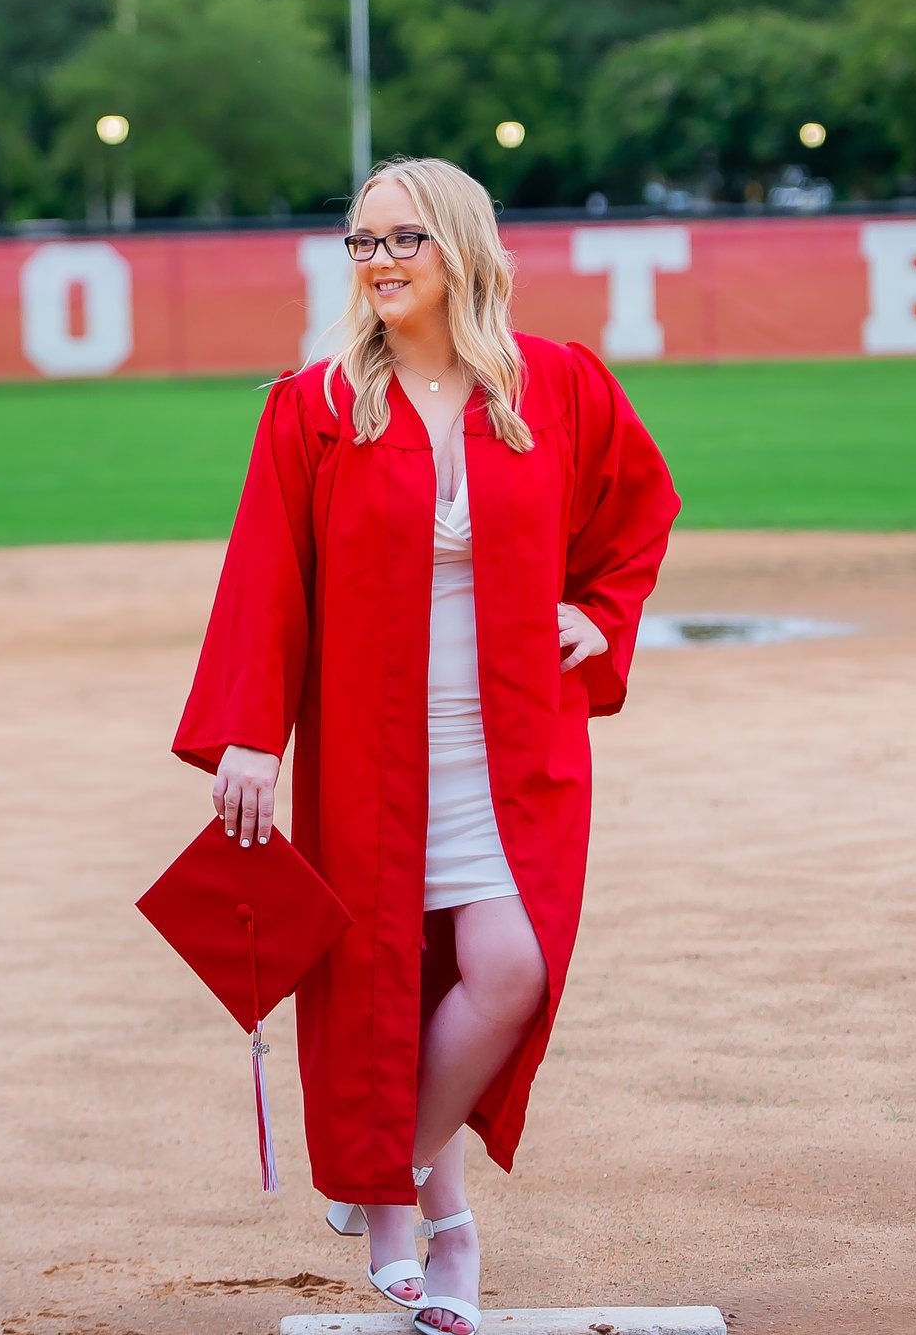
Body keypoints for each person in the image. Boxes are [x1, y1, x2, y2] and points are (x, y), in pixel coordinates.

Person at [172, 157, 681, 1335]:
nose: (379, 261)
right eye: (361, 243)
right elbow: (265, 579)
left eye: (402, 238)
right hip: (372, 746)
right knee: (383, 988)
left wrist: (596, 618)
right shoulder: (314, 404)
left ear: (461, 245)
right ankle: (438, 1228)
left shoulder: (554, 387)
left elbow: (637, 509)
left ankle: (379, 1172)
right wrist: (251, 733)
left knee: (511, 969)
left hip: (513, 744)